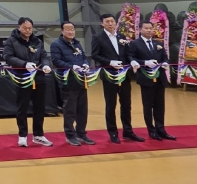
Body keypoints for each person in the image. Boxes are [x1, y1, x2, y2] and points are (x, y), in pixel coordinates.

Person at [91, 13, 144, 143]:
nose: (110, 24)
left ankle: (128, 131)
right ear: (102, 24)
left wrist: (132, 61)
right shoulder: (98, 37)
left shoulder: (121, 36)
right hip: (109, 75)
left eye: (112, 21)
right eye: (107, 21)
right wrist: (110, 62)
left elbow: (127, 53)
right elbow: (95, 55)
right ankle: (113, 133)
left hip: (124, 75)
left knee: (126, 104)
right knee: (111, 105)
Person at [3, 17, 53, 147]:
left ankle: (38, 135)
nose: (27, 30)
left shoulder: (37, 41)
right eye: (25, 28)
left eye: (30, 28)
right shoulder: (11, 41)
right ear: (19, 27)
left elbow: (43, 56)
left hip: (39, 78)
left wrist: (46, 65)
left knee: (39, 107)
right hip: (22, 78)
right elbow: (8, 57)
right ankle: (23, 135)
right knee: (22, 108)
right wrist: (24, 64)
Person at [129, 21, 176, 141]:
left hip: (159, 78)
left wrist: (165, 63)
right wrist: (144, 62)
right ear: (140, 29)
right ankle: (151, 130)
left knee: (160, 106)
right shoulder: (135, 44)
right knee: (148, 106)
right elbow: (131, 57)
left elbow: (165, 57)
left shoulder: (158, 43)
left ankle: (161, 129)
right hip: (146, 79)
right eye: (146, 28)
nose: (149, 30)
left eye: (150, 28)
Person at [50, 22, 95, 146]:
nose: (71, 32)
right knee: (70, 110)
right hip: (68, 82)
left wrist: (85, 64)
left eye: (72, 29)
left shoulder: (77, 43)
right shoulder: (56, 44)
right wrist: (72, 66)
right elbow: (56, 61)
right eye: (68, 29)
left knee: (82, 110)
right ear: (62, 31)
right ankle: (70, 135)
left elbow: (83, 57)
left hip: (81, 81)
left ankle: (81, 133)